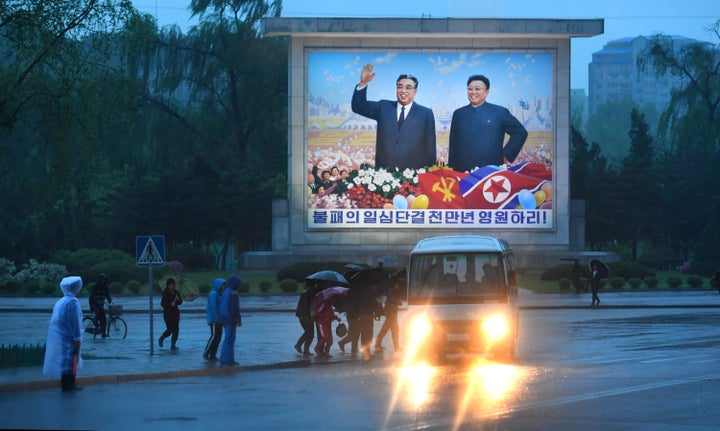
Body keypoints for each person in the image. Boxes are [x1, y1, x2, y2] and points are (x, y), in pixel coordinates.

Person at [351, 64, 437, 171]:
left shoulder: (425, 113)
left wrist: (428, 175)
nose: (403, 91)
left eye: (408, 88)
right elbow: (358, 106)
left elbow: (430, 149)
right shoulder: (384, 107)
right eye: (400, 87)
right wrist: (363, 83)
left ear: (415, 91)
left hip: (413, 176)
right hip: (385, 175)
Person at [448, 74, 528, 172]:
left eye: (477, 89)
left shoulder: (499, 112)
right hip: (461, 170)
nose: (473, 92)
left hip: (491, 170)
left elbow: (520, 132)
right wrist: (451, 167)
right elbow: (453, 143)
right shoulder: (458, 113)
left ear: (486, 92)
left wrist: (506, 154)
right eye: (470, 89)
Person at [43, 276, 84, 392]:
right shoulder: (73, 302)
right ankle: (69, 385)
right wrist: (77, 337)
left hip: (62, 336)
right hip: (71, 337)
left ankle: (66, 384)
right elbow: (75, 322)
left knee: (66, 360)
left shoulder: (61, 301)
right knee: (71, 360)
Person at [219, 274, 243, 366]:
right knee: (230, 339)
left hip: (224, 317)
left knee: (228, 339)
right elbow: (234, 308)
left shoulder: (225, 291)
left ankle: (229, 359)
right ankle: (226, 359)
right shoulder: (233, 293)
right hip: (230, 318)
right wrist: (238, 320)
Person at [374, 281, 401, 354]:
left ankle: (377, 343)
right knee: (394, 331)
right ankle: (396, 347)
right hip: (391, 314)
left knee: (386, 330)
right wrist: (398, 301)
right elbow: (393, 301)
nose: (398, 286)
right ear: (395, 284)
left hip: (391, 314)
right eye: (398, 284)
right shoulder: (392, 291)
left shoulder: (392, 291)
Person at [203, 278, 225, 360]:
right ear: (218, 285)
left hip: (220, 320)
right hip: (215, 320)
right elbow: (212, 307)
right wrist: (216, 318)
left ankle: (212, 355)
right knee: (214, 336)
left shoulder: (219, 294)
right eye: (222, 284)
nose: (223, 286)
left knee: (218, 338)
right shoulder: (213, 294)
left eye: (224, 284)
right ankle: (206, 353)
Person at [159, 278, 183, 350]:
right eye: (171, 284)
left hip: (175, 313)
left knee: (176, 329)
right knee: (170, 330)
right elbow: (162, 303)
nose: (173, 286)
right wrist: (170, 304)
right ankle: (161, 338)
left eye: (174, 284)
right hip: (168, 314)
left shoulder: (176, 292)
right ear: (168, 285)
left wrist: (178, 299)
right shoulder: (165, 293)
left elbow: (180, 303)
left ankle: (173, 345)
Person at [294, 282, 316, 356]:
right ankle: (299, 346)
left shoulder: (308, 293)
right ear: (309, 287)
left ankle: (305, 350)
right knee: (309, 333)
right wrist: (306, 316)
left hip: (306, 316)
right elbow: (304, 306)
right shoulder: (306, 294)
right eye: (312, 287)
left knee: (309, 333)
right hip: (305, 316)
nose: (313, 289)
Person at [89, 273, 112, 338]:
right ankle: (95, 324)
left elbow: (108, 295)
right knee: (99, 312)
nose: (103, 281)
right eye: (102, 279)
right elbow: (93, 296)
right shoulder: (95, 286)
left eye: (104, 280)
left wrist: (110, 301)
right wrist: (97, 301)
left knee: (103, 319)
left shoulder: (106, 287)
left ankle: (103, 333)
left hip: (101, 304)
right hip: (94, 303)